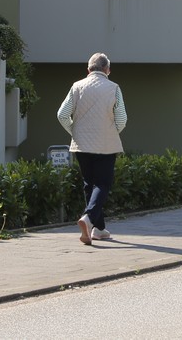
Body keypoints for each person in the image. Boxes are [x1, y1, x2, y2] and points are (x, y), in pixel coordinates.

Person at [57, 52, 127, 245]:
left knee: (89, 184)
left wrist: (75, 131)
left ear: (88, 70)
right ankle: (88, 218)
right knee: (103, 184)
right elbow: (122, 119)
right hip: (106, 144)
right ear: (107, 70)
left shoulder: (76, 86)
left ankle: (98, 229)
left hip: (81, 145)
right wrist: (110, 132)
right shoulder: (114, 88)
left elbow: (62, 114)